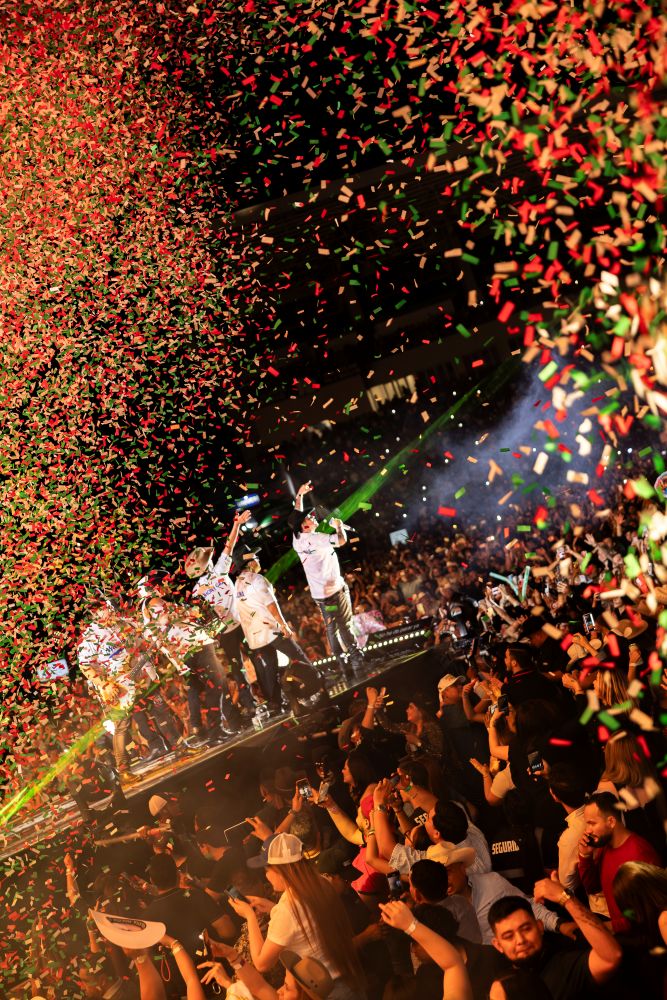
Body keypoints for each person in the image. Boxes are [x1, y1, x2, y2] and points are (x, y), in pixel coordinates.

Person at [227, 833, 366, 999]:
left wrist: (250, 917)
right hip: (351, 979)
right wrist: (273, 908)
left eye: (267, 869)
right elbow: (306, 920)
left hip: (330, 992)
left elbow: (261, 963)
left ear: (280, 870)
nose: (266, 876)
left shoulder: (287, 909)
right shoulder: (322, 882)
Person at [488, 878, 622, 1000]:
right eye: (509, 936)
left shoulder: (565, 966)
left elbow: (611, 957)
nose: (520, 940)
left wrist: (565, 898)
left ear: (540, 927)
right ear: (498, 945)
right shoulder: (500, 985)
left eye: (526, 929)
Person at [185, 509, 257, 728]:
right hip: (233, 630)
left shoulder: (213, 576)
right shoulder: (207, 583)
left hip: (237, 627)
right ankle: (253, 703)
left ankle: (261, 700)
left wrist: (236, 524)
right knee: (245, 665)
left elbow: (230, 546)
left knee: (249, 664)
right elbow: (229, 546)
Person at [235, 544, 323, 715]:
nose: (258, 559)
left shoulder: (237, 585)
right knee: (299, 657)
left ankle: (276, 704)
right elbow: (271, 605)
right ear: (248, 562)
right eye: (255, 556)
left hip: (255, 638)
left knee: (269, 672)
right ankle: (316, 687)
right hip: (272, 631)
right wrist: (283, 625)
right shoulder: (257, 579)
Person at [289, 481, 364, 678]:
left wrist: (299, 494)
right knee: (344, 625)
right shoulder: (317, 538)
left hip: (322, 597)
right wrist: (339, 527)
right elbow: (341, 541)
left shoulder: (297, 539)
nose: (313, 518)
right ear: (305, 525)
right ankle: (356, 660)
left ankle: (343, 663)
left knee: (332, 628)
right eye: (310, 518)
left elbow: (296, 515)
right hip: (335, 592)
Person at [143, 854, 237, 996]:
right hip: (219, 976)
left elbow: (149, 963)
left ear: (151, 880)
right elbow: (228, 930)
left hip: (185, 989)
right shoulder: (195, 895)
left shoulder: (147, 919)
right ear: (177, 874)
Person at [577, 790, 662, 933]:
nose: (587, 830)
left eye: (592, 823)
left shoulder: (639, 854)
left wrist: (606, 927)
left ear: (611, 821)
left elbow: (646, 914)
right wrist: (585, 857)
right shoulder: (605, 847)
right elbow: (592, 887)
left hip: (641, 939)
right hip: (622, 934)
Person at [379, 899, 473, 1000]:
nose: (413, 950)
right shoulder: (426, 977)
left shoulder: (424, 976)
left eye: (415, 943)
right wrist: (410, 925)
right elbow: (453, 964)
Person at [408, 859, 482, 944]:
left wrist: (409, 912)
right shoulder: (461, 901)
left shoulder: (423, 922)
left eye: (410, 885)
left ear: (417, 894)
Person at [545, 765, 589, 893]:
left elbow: (567, 885)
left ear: (554, 796)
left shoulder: (569, 838)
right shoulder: (600, 801)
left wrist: (553, 874)